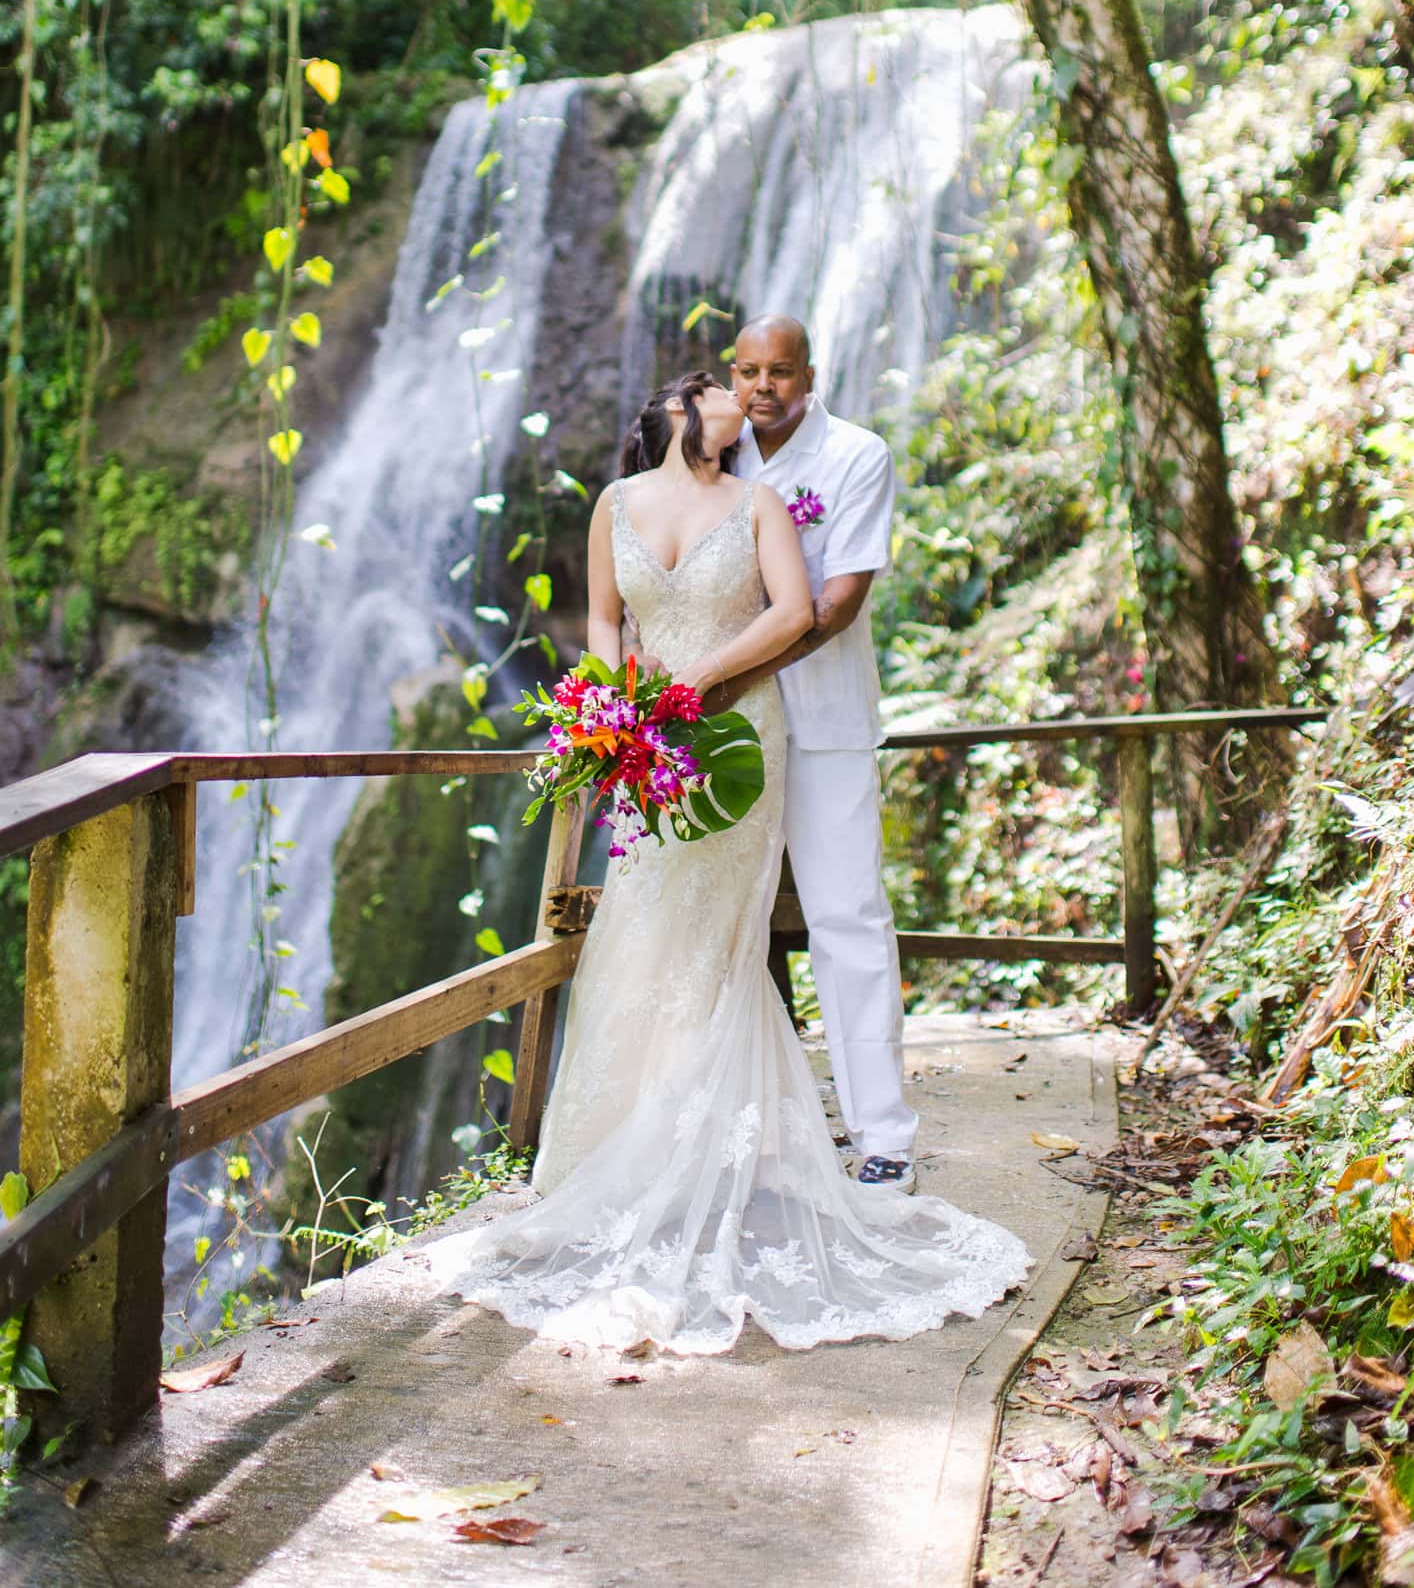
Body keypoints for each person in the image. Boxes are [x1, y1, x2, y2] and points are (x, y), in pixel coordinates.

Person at [435, 369, 1028, 1354]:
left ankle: (704, 1156)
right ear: (672, 411)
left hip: (734, 738)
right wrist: (616, 699)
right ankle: (617, 1153)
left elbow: (795, 613)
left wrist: (696, 681)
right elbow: (603, 622)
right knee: (637, 929)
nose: (734, 398)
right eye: (715, 385)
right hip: (646, 743)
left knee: (715, 944)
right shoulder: (613, 505)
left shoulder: (758, 503)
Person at [721, 315, 917, 1191]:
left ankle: (883, 1136)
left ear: (810, 373)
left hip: (824, 717)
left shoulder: (855, 456)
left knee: (846, 919)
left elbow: (837, 602)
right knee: (718, 924)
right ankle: (737, 1134)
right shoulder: (716, 455)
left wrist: (729, 673)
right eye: (748, 371)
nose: (764, 386)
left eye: (781, 371)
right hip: (724, 730)